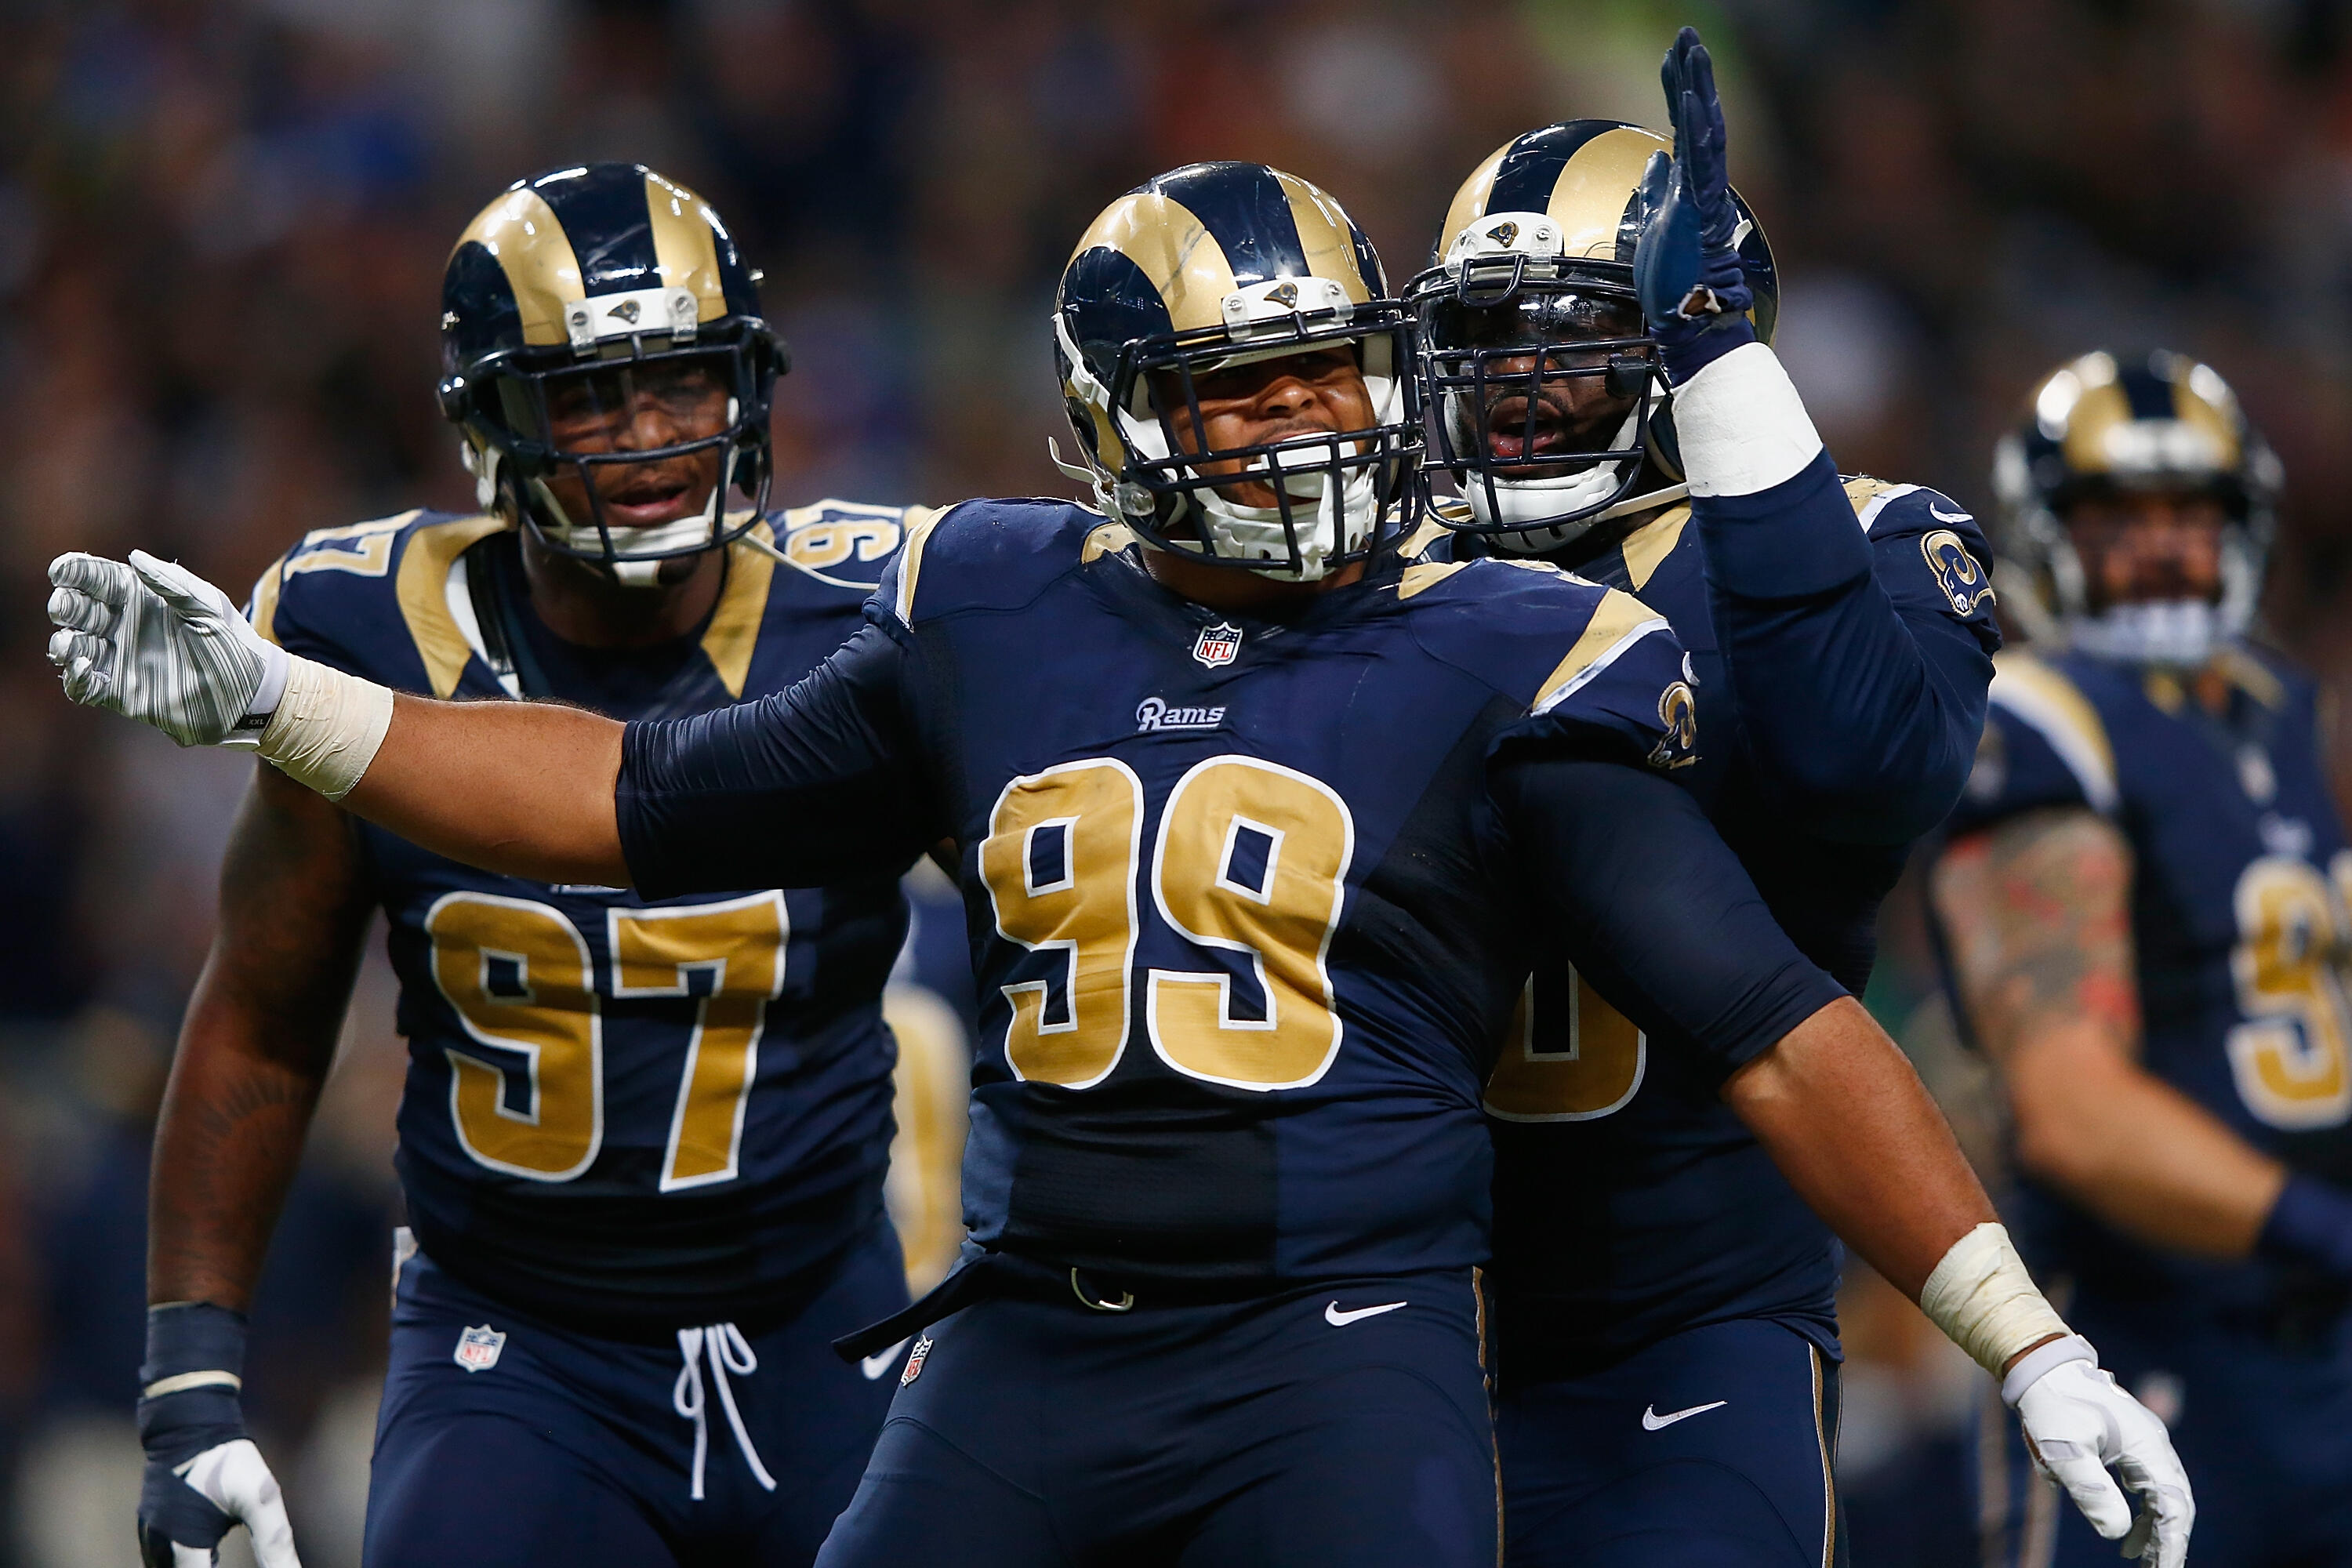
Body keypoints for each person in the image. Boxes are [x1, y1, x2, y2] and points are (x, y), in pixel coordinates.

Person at [49, 158, 2184, 1568]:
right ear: (1121, 419)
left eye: (1330, 374)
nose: (1307, 427)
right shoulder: (993, 604)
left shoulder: (1503, 634)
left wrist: (2025, 1336)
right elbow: (640, 803)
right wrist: (282, 705)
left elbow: (1772, 1012)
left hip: (1345, 1332)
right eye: (1243, 394)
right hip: (1033, 1344)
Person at [111, 162, 953, 1568]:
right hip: (521, 1349)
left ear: (747, 388)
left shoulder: (870, 616)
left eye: (681, 384)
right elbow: (265, 1000)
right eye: (590, 396)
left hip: (829, 1315)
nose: (645, 439)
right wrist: (191, 1385)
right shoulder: (364, 628)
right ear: (496, 419)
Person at [1406, 33, 2040, 1566]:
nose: (1518, 388)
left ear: (1694, 342)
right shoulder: (1380, 574)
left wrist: (1735, 395)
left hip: (1686, 1322)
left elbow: (1854, 768)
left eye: (1570, 340)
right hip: (1396, 1315)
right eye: (1485, 336)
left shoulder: (1865, 540)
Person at [1933, 348, 2352, 1567]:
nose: (2164, 550)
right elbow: (2074, 1112)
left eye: (2192, 515)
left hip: (2318, 1340)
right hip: (2141, 1341)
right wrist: (2327, 1232)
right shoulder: (2034, 721)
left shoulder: (2279, 705)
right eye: (2123, 520)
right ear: (2050, 533)